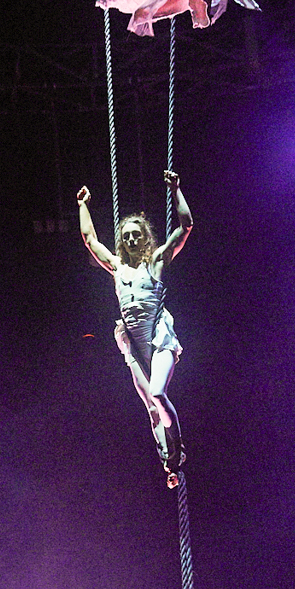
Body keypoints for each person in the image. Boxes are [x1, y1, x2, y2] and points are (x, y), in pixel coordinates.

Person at [77, 171, 193, 466]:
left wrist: (176, 190)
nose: (130, 239)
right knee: (151, 409)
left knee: (158, 393)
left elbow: (186, 226)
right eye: (126, 235)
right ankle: (167, 460)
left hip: (158, 340)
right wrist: (83, 206)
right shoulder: (117, 267)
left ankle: (177, 447)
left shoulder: (155, 263)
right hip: (135, 346)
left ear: (145, 238)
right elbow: (90, 240)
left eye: (136, 235)